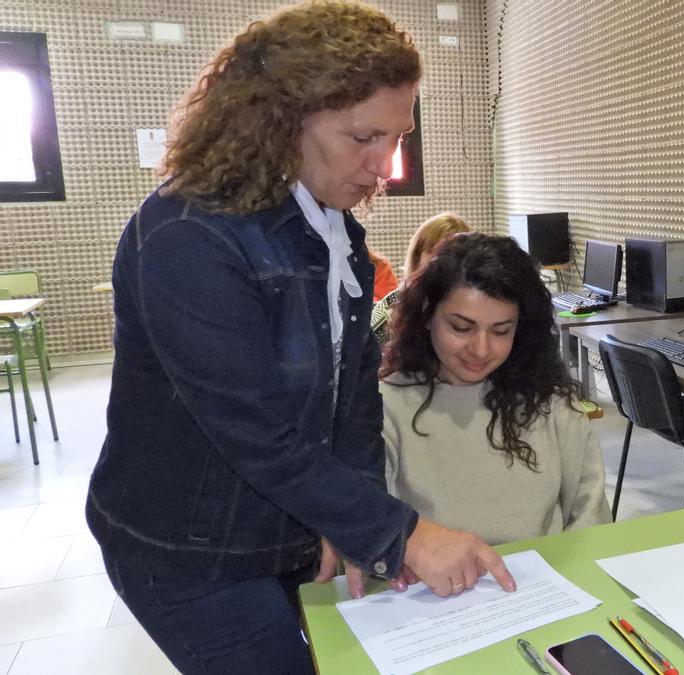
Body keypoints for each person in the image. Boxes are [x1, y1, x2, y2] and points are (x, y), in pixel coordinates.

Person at [85, 4, 512, 673]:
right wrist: (402, 535)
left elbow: (351, 396)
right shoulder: (186, 235)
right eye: (363, 137)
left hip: (280, 521)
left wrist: (355, 520)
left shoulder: (329, 222)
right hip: (189, 551)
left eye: (397, 137)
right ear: (282, 118)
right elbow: (255, 433)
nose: (384, 166)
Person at [379, 233, 611, 544]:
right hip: (435, 589)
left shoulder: (551, 403)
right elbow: (373, 538)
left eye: (501, 330)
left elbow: (591, 520)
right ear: (426, 316)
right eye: (461, 328)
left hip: (545, 583)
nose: (481, 349)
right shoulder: (386, 407)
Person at [370, 211, 470, 343]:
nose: (444, 262)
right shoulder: (392, 306)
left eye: (453, 254)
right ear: (417, 257)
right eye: (434, 253)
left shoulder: (477, 305)